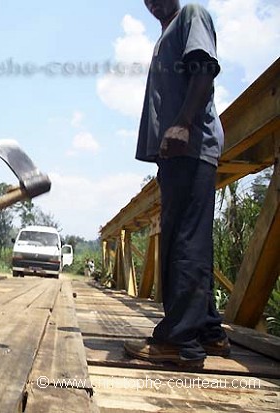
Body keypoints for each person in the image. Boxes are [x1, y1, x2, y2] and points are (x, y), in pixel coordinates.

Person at [124, 0, 230, 368]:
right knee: (191, 238)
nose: (152, 1)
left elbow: (204, 70)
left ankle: (179, 340)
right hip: (179, 154)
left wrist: (184, 123)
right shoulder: (167, 33)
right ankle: (208, 331)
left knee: (182, 241)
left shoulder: (191, 15)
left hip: (191, 146)